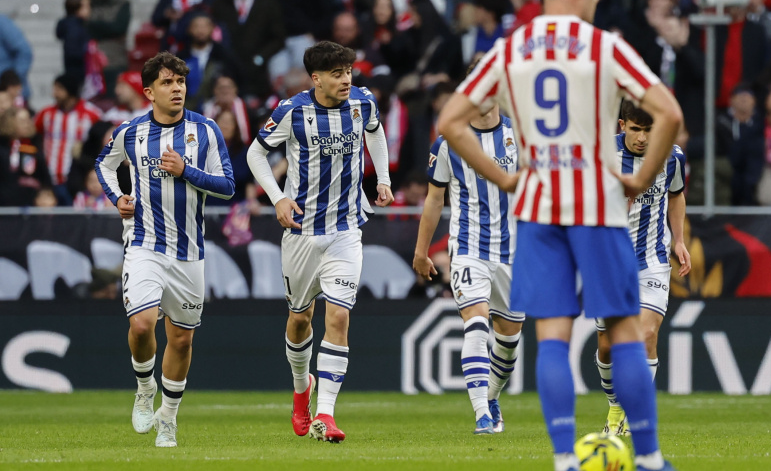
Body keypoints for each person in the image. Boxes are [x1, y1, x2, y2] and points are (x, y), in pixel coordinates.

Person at [436, 0, 683, 470]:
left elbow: (449, 123)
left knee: (553, 337)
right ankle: (650, 457)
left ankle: (565, 459)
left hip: (538, 209)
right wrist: (640, 179)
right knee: (625, 332)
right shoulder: (604, 47)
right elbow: (669, 113)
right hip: (596, 205)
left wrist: (505, 179)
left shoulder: (509, 50)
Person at [246, 41, 394, 443]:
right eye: (336, 74)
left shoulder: (363, 102)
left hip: (346, 229)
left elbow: (376, 133)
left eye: (348, 72)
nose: (346, 80)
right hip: (302, 231)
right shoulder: (292, 111)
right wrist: (278, 198)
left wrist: (382, 178)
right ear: (316, 78)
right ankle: (301, 389)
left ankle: (326, 414)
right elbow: (255, 154)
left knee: (339, 316)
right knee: (299, 318)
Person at [94, 51, 235, 447]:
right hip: (144, 244)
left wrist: (186, 171)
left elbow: (228, 186)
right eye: (168, 82)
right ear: (149, 92)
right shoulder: (131, 132)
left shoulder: (205, 130)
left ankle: (168, 418)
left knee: (182, 339)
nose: (177, 89)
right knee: (141, 325)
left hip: (189, 251)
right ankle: (144, 388)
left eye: (181, 82)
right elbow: (104, 164)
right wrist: (118, 197)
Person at [415, 91, 524, 434]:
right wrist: (421, 250)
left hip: (515, 253)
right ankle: (482, 416)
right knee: (476, 324)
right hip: (468, 248)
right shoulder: (449, 142)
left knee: (509, 343)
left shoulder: (521, 136)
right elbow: (435, 200)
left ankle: (491, 396)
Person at [593, 100, 691, 436]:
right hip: (607, 262)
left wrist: (679, 240)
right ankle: (614, 406)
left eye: (649, 130)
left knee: (646, 334)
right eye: (636, 129)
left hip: (652, 260)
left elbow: (676, 195)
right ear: (622, 125)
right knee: (607, 346)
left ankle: (630, 416)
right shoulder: (601, 156)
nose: (642, 138)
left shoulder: (672, 156)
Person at [34, 73, 103, 205]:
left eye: (59, 89)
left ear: (70, 90)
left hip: (78, 179)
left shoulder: (92, 114)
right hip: (49, 179)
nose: (54, 93)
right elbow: (32, 135)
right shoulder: (46, 114)